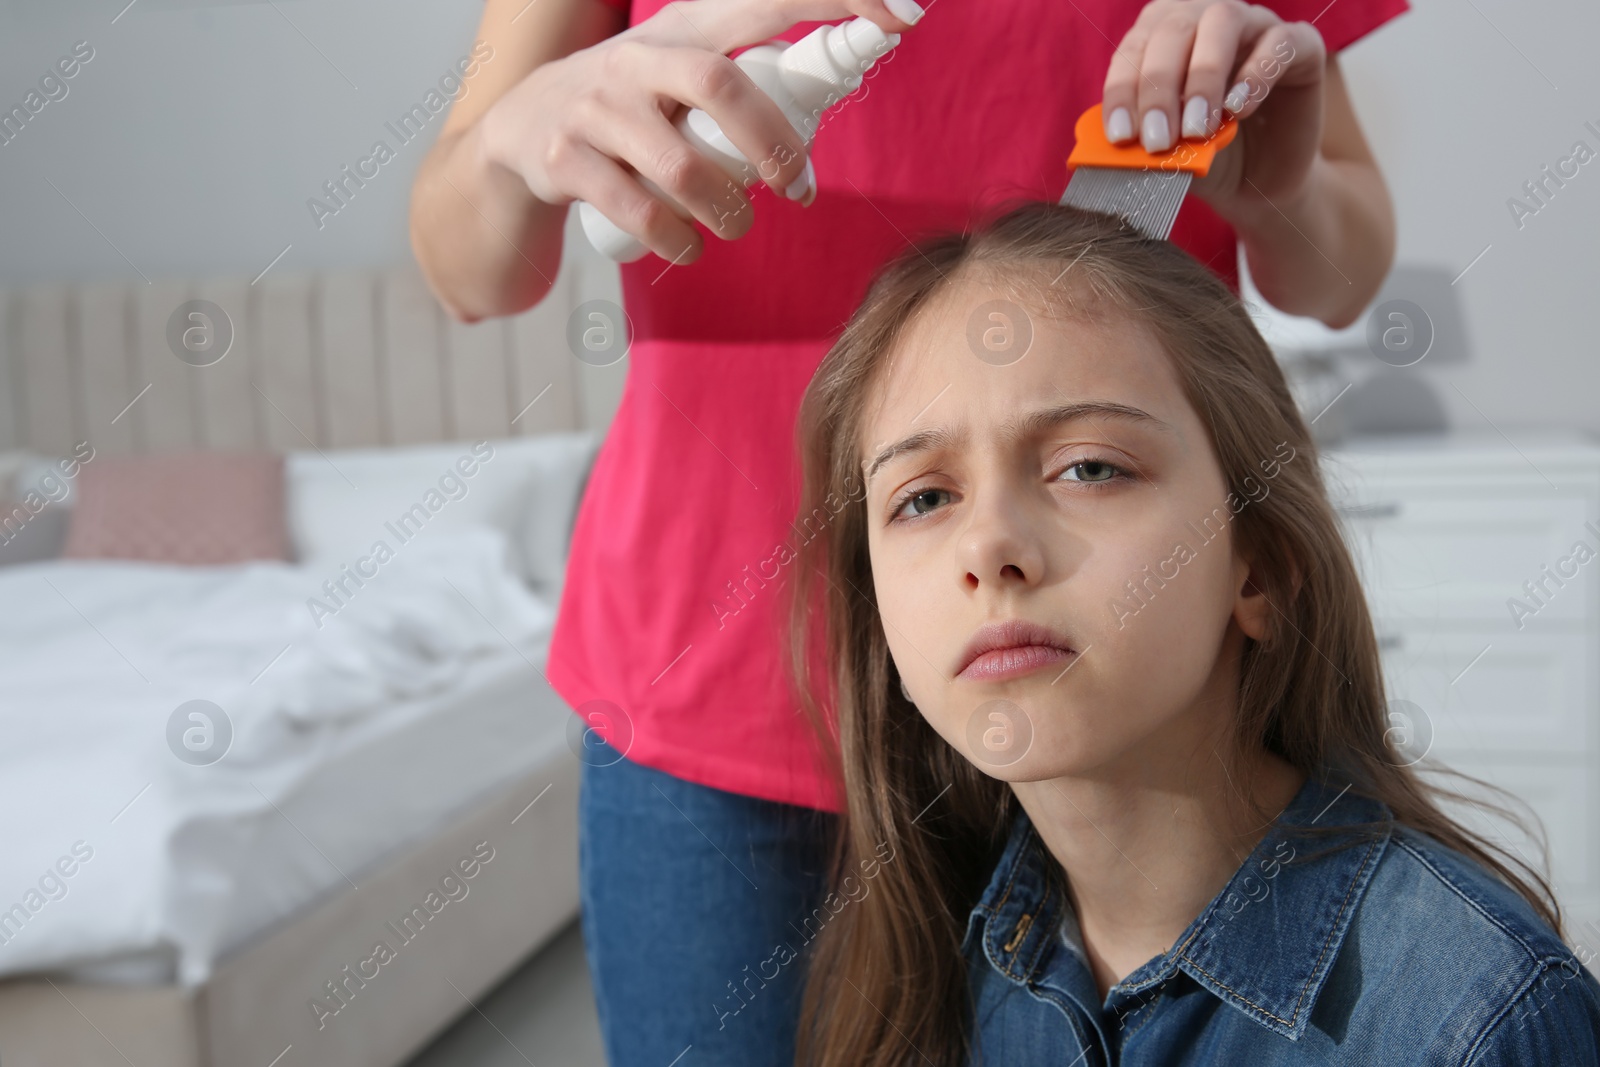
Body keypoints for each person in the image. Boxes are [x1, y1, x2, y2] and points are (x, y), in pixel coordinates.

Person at [409, 1, 1410, 1063]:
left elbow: (1339, 276)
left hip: (1117, 721)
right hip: (712, 695)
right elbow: (470, 270)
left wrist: (1275, 187)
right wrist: (520, 137)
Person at [786, 199, 1600, 1065]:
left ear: (1258, 569)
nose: (988, 547)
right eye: (924, 498)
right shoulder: (929, 985)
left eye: (1090, 467)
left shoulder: (1476, 1018)